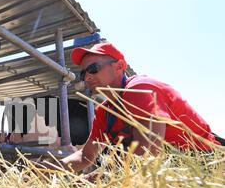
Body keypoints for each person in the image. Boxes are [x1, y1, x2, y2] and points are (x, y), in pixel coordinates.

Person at [59, 42, 222, 173]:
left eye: (93, 68)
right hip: (164, 170)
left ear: (119, 66)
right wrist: (47, 170)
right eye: (83, 73)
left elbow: (148, 153)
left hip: (201, 165)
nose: (87, 76)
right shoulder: (104, 111)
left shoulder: (139, 89)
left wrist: (98, 180)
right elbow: (85, 156)